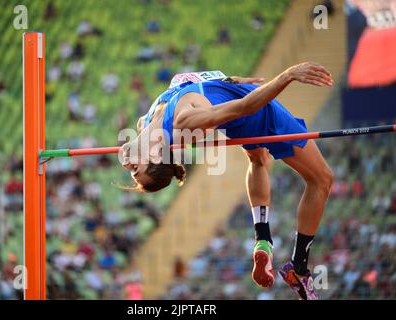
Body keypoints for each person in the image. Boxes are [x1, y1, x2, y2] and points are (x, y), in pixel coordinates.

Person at [120, 62, 335, 300]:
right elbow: (244, 107)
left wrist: (231, 81)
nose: (127, 165)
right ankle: (298, 268)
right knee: (322, 180)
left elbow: (192, 80)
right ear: (154, 155)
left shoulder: (146, 122)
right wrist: (287, 75)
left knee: (258, 160)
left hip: (237, 109)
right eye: (135, 169)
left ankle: (263, 239)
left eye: (132, 170)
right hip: (256, 112)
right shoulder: (183, 120)